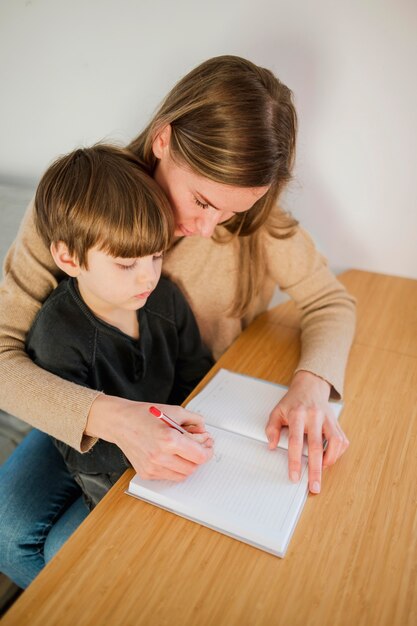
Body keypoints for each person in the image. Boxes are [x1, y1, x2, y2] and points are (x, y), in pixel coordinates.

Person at [0, 55, 355, 587]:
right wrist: (115, 418)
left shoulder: (258, 223)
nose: (208, 227)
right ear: (164, 139)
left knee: (65, 549)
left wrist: (311, 385)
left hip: (189, 405)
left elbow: (330, 301)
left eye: (229, 213)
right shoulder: (83, 203)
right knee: (11, 534)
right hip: (85, 401)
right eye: (202, 200)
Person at [25, 143, 214, 511]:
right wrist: (145, 449)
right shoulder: (57, 334)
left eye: (157, 255)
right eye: (126, 264)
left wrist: (190, 428)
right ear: (69, 258)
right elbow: (76, 448)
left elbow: (196, 370)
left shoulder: (165, 298)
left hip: (172, 447)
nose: (148, 277)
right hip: (103, 470)